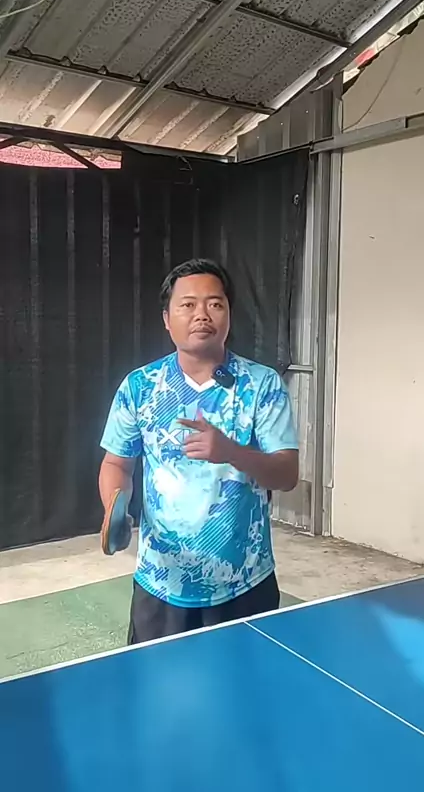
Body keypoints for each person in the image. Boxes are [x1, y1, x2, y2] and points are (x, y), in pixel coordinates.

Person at [98, 258, 299, 643]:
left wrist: (232, 451)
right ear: (166, 319)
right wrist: (114, 507)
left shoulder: (262, 385)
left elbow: (287, 473)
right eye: (187, 305)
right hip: (161, 582)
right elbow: (116, 463)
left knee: (246, 681)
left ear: (229, 315)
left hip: (244, 582)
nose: (202, 314)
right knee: (158, 682)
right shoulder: (139, 387)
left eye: (215, 304)